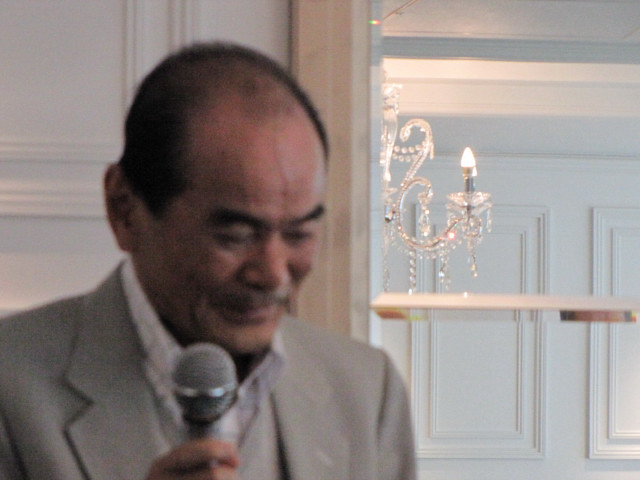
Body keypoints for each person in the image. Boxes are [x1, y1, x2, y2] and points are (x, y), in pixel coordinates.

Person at [0, 42, 416, 480]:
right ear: (124, 209)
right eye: (235, 236)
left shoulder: (366, 390)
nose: (273, 274)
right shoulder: (12, 383)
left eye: (298, 233)